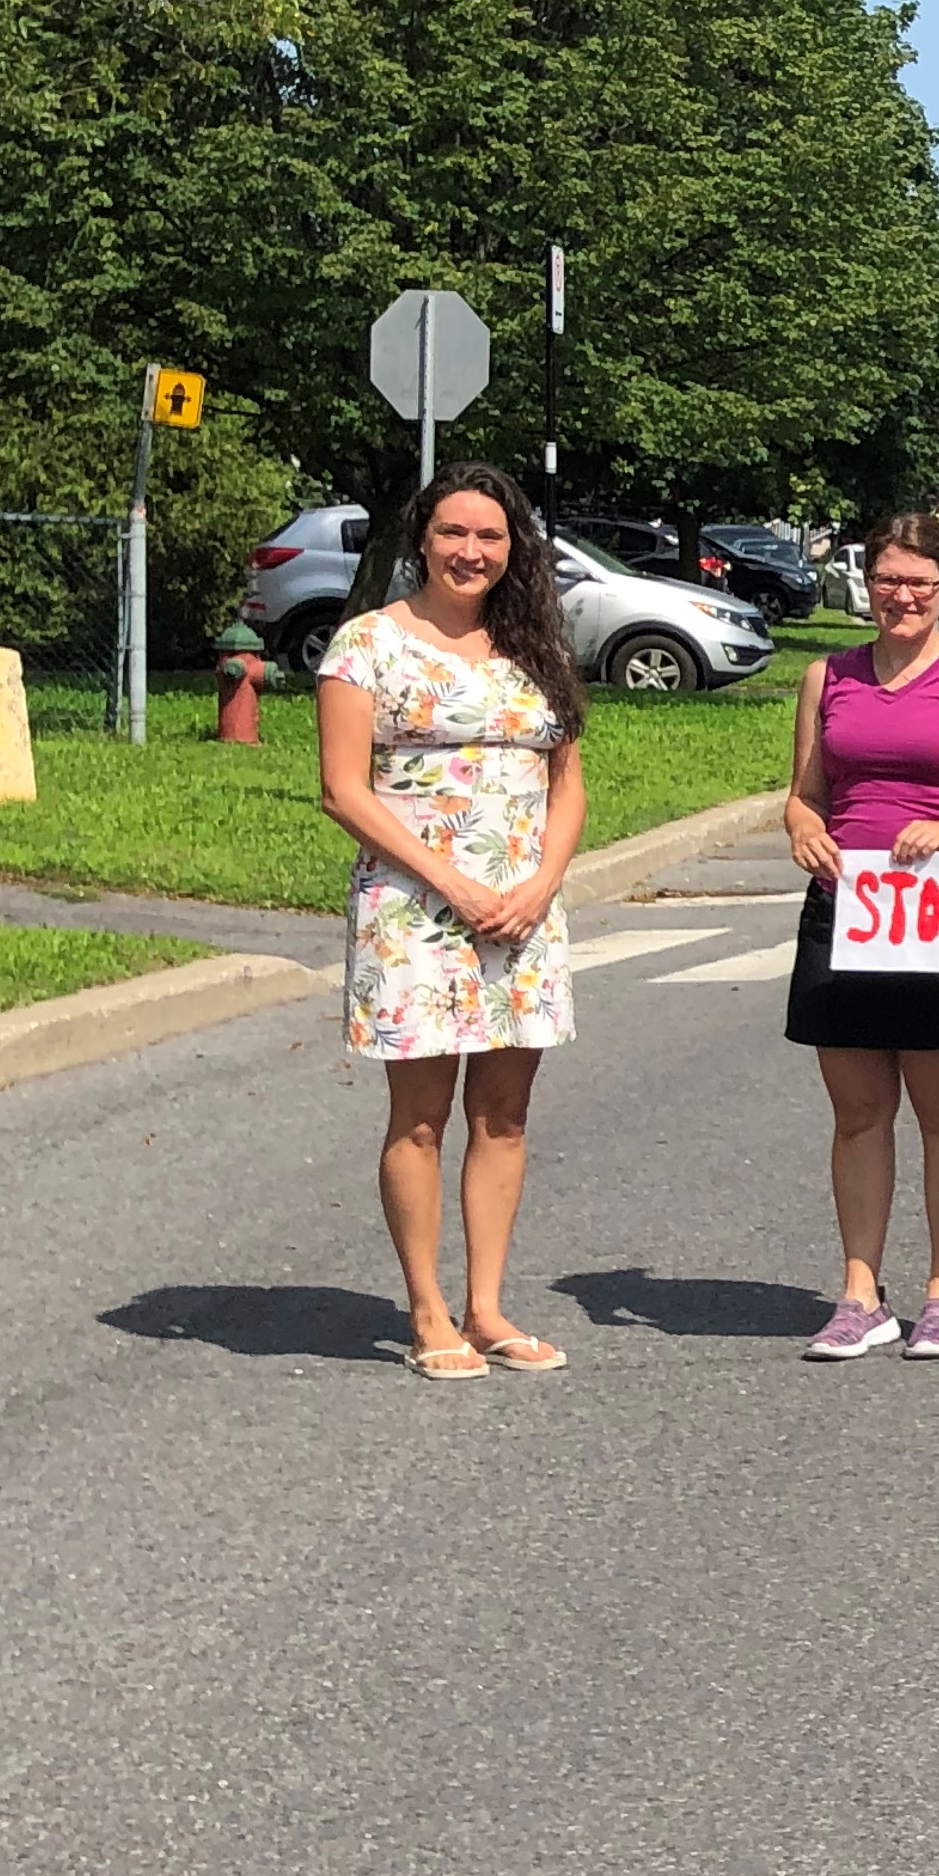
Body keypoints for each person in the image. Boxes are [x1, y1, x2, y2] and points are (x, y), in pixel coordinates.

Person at [316, 464, 590, 1380]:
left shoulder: (536, 646)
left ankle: (487, 1305)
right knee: (423, 1117)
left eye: (491, 536)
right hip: (413, 911)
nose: (471, 552)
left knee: (504, 1115)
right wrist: (453, 887)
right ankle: (428, 1309)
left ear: (515, 549)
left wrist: (540, 883)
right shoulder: (367, 646)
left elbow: (568, 785)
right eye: (453, 533)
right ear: (420, 539)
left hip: (522, 914)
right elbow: (344, 790)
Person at [781, 514, 939, 1363]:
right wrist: (801, 827)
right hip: (845, 910)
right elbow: (805, 791)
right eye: (888, 580)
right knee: (858, 1114)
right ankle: (860, 1292)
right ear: (869, 583)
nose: (901, 597)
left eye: (919, 584)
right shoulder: (829, 676)